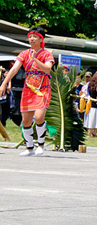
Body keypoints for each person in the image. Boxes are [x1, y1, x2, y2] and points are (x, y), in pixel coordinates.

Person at [0, 27, 55, 156]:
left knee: (40, 117)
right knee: (26, 120)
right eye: (30, 36)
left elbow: (47, 69)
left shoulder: (47, 54)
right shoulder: (24, 53)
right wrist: (3, 84)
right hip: (28, 89)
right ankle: (29, 148)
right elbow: (14, 69)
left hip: (42, 89)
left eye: (34, 37)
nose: (31, 39)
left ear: (41, 39)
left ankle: (41, 145)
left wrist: (36, 59)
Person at [82, 73, 97, 138]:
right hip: (96, 105)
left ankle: (94, 133)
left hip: (89, 104)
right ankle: (91, 133)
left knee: (91, 119)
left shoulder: (89, 85)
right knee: (94, 120)